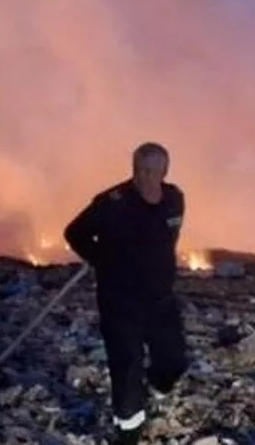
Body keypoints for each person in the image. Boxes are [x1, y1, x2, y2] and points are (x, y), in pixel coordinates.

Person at [64, 142, 189, 444]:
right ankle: (129, 430)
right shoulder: (112, 202)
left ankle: (158, 386)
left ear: (164, 172)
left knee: (173, 360)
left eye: (151, 170)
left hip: (160, 299)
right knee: (127, 365)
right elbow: (74, 232)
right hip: (121, 301)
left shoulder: (174, 199)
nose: (145, 176)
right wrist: (101, 258)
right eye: (139, 169)